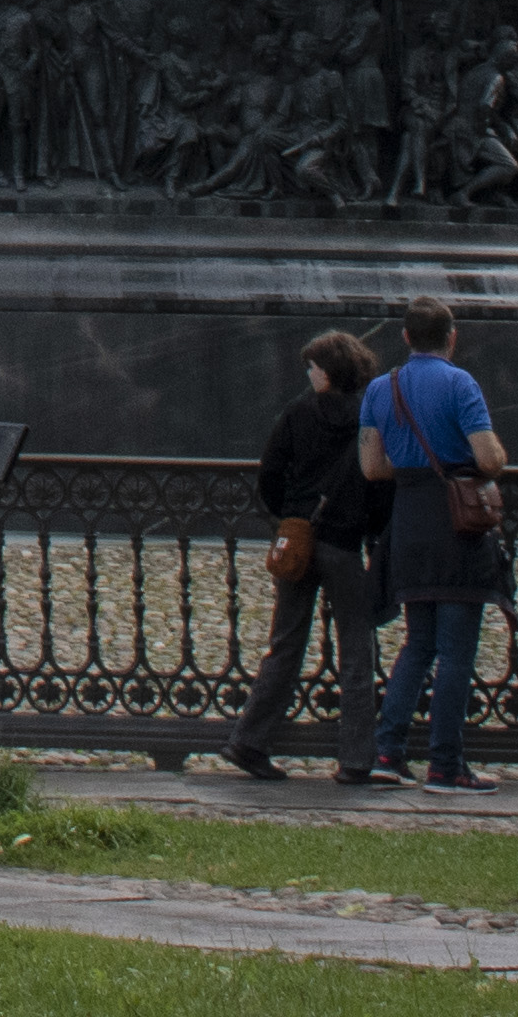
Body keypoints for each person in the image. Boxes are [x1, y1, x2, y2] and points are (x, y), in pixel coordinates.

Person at [354, 298, 508, 790]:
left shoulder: (382, 387)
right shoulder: (460, 383)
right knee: (456, 651)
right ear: (452, 336)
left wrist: (415, 469)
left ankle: (387, 753)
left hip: (408, 521)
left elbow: (372, 468)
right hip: (456, 526)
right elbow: (488, 458)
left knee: (417, 644)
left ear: (404, 337)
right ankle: (445, 764)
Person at [226, 329, 387, 780]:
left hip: (300, 542)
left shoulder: (297, 413)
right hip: (343, 542)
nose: (308, 374)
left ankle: (248, 739)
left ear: (327, 372)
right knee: (357, 652)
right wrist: (369, 530)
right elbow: (380, 483)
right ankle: (356, 759)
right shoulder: (368, 417)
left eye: (312, 367)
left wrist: (289, 517)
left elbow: (270, 473)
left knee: (285, 644)